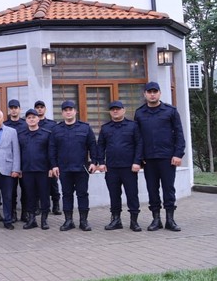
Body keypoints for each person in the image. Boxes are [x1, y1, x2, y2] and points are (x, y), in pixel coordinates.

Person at [134, 82, 185, 232]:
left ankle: (170, 220)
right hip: (148, 158)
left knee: (168, 189)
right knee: (152, 189)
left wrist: (178, 154)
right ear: (145, 94)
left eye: (155, 92)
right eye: (149, 92)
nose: (152, 94)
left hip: (167, 157)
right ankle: (156, 220)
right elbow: (137, 138)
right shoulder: (139, 113)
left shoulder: (170, 111)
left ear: (160, 93)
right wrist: (139, 157)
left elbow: (179, 134)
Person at [50, 100, 99, 232]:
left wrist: (94, 162)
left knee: (82, 194)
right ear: (62, 113)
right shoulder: (56, 129)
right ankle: (68, 221)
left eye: (70, 109)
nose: (68, 112)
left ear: (75, 111)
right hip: (64, 168)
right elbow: (52, 149)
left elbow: (92, 146)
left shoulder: (85, 128)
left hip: (81, 168)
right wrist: (54, 165)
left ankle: (83, 221)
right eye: (65, 110)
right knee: (66, 194)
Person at [97, 101, 143, 232]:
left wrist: (137, 162)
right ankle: (116, 220)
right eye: (113, 109)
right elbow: (100, 146)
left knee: (132, 194)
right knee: (114, 194)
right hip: (111, 168)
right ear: (110, 112)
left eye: (118, 109)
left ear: (124, 110)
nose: (115, 111)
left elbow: (139, 144)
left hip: (129, 167)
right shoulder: (105, 128)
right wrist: (101, 162)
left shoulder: (133, 126)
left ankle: (134, 221)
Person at [18, 109, 55, 230]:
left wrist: (51, 167)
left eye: (34, 117)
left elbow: (51, 152)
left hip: (43, 170)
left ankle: (44, 219)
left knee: (44, 195)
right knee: (29, 195)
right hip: (27, 170)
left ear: (38, 119)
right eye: (29, 118)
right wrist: (19, 169)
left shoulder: (46, 134)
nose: (31, 119)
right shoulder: (21, 135)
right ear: (26, 120)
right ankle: (32, 219)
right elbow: (18, 153)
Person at [35, 100, 62, 215]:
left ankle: (56, 205)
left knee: (53, 184)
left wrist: (54, 162)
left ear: (45, 109)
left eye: (41, 107)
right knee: (37, 185)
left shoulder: (52, 124)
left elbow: (56, 142)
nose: (39, 109)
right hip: (37, 158)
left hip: (50, 158)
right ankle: (38, 206)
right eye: (37, 107)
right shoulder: (32, 123)